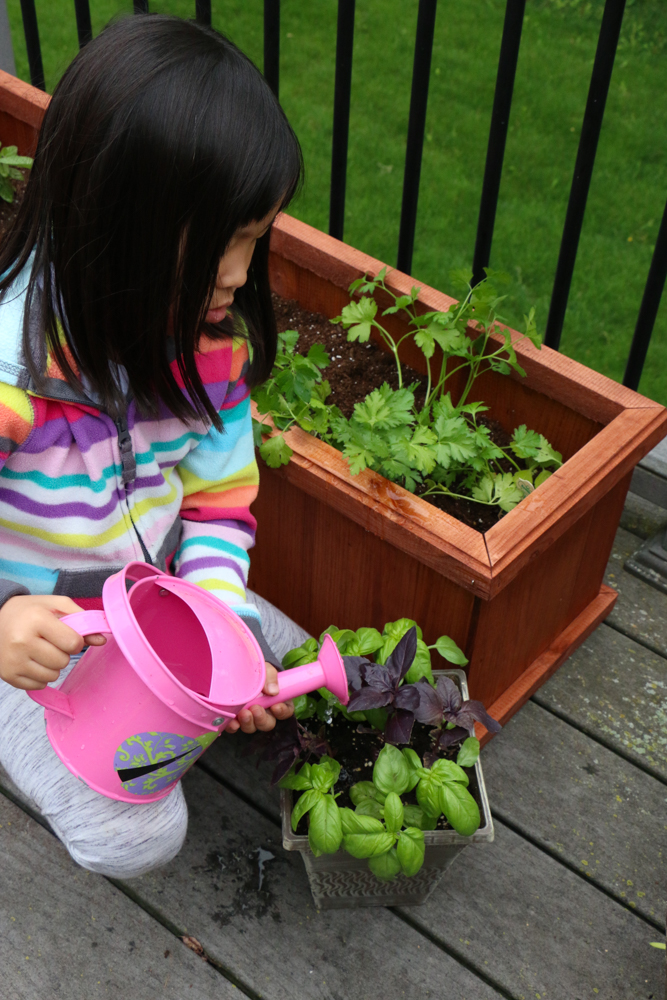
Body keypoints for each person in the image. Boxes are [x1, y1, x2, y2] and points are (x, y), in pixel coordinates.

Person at [0, 14, 309, 878]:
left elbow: (218, 504)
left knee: (289, 663)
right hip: (40, 638)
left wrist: (221, 612)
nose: (242, 274)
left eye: (256, 237)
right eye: (226, 241)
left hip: (154, 600)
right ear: (120, 221)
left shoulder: (207, 347)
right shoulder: (10, 378)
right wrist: (4, 629)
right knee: (133, 837)